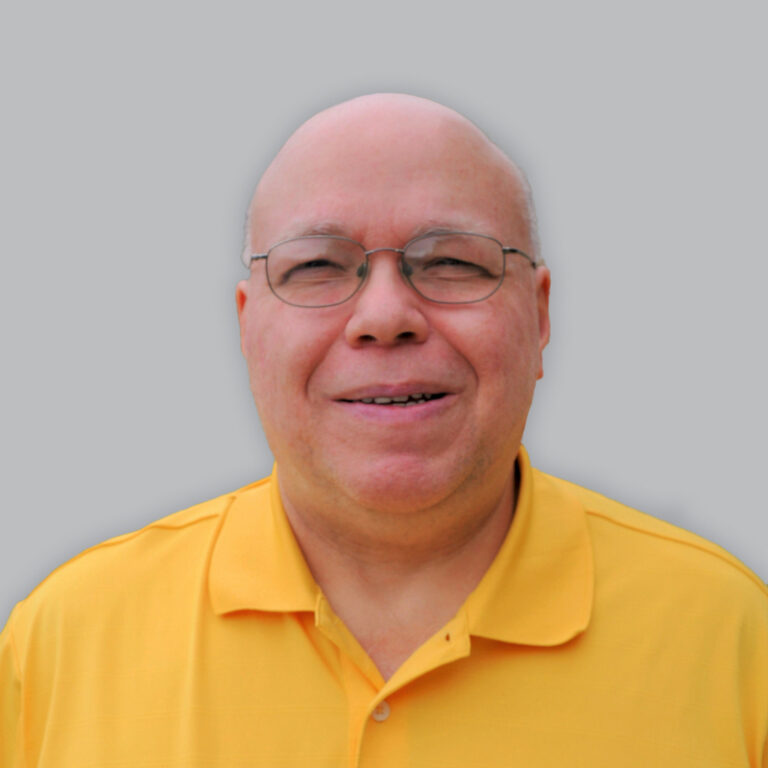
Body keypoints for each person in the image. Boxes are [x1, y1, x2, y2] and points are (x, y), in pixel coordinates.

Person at [1, 94, 766, 767]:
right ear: (245, 326)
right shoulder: (63, 642)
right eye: (316, 268)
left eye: (453, 263)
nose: (385, 317)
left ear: (539, 316)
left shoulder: (736, 644)